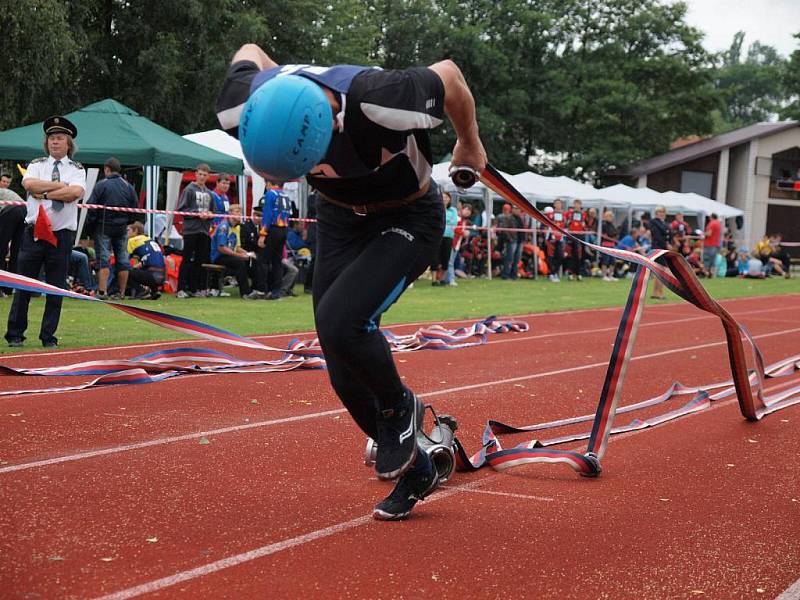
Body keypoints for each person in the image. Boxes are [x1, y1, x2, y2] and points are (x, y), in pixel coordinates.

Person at [216, 44, 486, 520]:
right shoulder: (239, 102)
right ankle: (417, 467)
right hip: (339, 217)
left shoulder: (385, 98)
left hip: (408, 214)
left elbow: (451, 75)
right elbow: (251, 50)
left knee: (344, 322)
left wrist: (469, 141)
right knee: (337, 349)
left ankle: (399, 408)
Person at [5, 116, 86, 348]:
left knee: (56, 287)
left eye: (60, 138)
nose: (55, 142)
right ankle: (15, 334)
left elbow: (75, 193)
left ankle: (48, 336)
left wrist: (48, 193)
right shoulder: (37, 164)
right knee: (23, 286)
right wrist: (61, 186)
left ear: (68, 143)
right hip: (33, 234)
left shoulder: (77, 168)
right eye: (51, 138)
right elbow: (30, 186)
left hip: (61, 236)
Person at [86, 157, 138, 300]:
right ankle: (121, 293)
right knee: (123, 260)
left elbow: (92, 207)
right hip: (122, 228)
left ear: (106, 169)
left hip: (103, 226)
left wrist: (90, 227)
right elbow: (135, 208)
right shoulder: (128, 186)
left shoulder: (101, 185)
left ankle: (102, 292)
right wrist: (128, 221)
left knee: (103, 260)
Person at [176, 164, 214, 298]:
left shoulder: (210, 193)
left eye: (205, 175)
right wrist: (197, 213)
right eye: (200, 174)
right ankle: (180, 288)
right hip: (191, 230)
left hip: (204, 230)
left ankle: (194, 288)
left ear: (208, 176)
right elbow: (181, 210)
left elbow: (213, 211)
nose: (202, 177)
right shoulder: (189, 189)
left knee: (200, 261)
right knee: (186, 259)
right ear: (196, 174)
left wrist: (210, 214)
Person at [210, 204, 261, 299]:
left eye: (240, 212)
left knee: (253, 259)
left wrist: (247, 253)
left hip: (229, 255)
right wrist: (239, 256)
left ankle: (256, 288)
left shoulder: (237, 227)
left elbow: (237, 247)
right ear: (230, 214)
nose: (240, 214)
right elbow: (222, 248)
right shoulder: (224, 227)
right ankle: (246, 293)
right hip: (218, 256)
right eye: (237, 212)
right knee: (239, 262)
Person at [258, 183, 292, 300]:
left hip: (273, 228)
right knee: (277, 261)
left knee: (263, 260)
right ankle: (277, 291)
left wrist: (262, 234)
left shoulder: (270, 194)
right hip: (284, 229)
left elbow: (267, 215)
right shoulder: (285, 195)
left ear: (268, 183)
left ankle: (262, 289)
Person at [126, 221, 165, 299]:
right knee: (145, 267)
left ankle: (141, 291)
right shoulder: (149, 239)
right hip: (163, 276)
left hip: (152, 276)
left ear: (136, 230)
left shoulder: (132, 240)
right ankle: (154, 291)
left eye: (128, 230)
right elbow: (149, 259)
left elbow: (125, 260)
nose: (126, 233)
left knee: (125, 272)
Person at [0, 173, 27, 282]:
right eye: (4, 181)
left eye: (7, 182)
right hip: (24, 210)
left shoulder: (3, 193)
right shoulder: (9, 193)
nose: (6, 184)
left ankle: (1, 283)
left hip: (12, 210)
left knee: (1, 246)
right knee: (16, 249)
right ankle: (11, 285)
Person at [649, 206, 670, 299]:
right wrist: (666, 244)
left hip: (662, 248)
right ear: (656, 213)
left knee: (659, 271)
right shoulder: (654, 222)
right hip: (658, 248)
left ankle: (655, 292)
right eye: (660, 212)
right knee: (661, 271)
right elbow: (657, 236)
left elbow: (668, 234)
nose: (662, 213)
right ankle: (659, 293)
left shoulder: (663, 223)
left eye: (663, 212)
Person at [564, 199, 586, 280]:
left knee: (579, 255)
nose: (577, 206)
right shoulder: (569, 213)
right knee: (571, 255)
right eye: (575, 204)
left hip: (580, 236)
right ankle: (571, 273)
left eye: (578, 204)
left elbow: (584, 225)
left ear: (580, 205)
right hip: (571, 235)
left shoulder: (583, 214)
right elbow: (565, 223)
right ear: (573, 205)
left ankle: (578, 273)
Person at [599, 210, 619, 281]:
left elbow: (615, 233)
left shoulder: (612, 224)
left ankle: (611, 275)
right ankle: (604, 275)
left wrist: (613, 235)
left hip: (612, 245)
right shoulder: (603, 224)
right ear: (605, 216)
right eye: (609, 216)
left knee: (613, 261)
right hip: (605, 245)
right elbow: (609, 233)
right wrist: (612, 235)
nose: (611, 217)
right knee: (605, 260)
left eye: (611, 216)